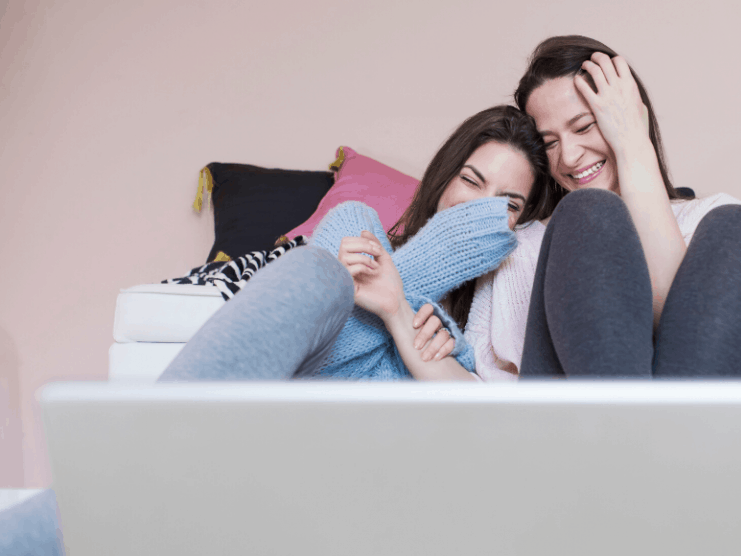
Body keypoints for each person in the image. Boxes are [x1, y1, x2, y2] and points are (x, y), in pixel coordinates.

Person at [0, 104, 558, 556]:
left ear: (520, 228)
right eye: (470, 182)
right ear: (443, 177)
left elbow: (481, 432)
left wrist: (392, 307)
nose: (479, 213)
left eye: (505, 207)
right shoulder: (355, 226)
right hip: (242, 453)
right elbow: (311, 360)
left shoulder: (458, 338)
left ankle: (121, 481)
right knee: (319, 272)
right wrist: (404, 310)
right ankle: (125, 478)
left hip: (337, 498)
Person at [464, 36, 741, 550]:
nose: (569, 155)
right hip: (579, 491)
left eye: (585, 126)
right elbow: (478, 398)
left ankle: (660, 516)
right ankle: (654, 516)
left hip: (728, 499)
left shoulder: (709, 227)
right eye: (550, 141)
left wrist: (634, 148)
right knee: (588, 215)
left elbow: (679, 321)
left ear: (629, 115)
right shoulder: (522, 247)